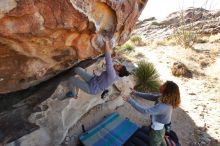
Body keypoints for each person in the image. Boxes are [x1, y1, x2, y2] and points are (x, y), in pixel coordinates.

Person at [65, 38, 130, 98]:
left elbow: (108, 59)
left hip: (92, 89)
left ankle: (73, 94)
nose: (116, 64)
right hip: (93, 80)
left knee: (71, 79)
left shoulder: (112, 74)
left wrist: (106, 43)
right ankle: (78, 85)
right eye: (118, 64)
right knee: (77, 69)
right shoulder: (116, 73)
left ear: (118, 71)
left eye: (118, 66)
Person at [122, 81, 181, 146]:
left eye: (164, 85)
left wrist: (130, 100)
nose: (161, 85)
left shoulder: (163, 107)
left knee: (155, 142)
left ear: (167, 91)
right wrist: (135, 92)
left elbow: (145, 111)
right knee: (160, 140)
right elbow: (150, 96)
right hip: (160, 128)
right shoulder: (163, 97)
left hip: (157, 131)